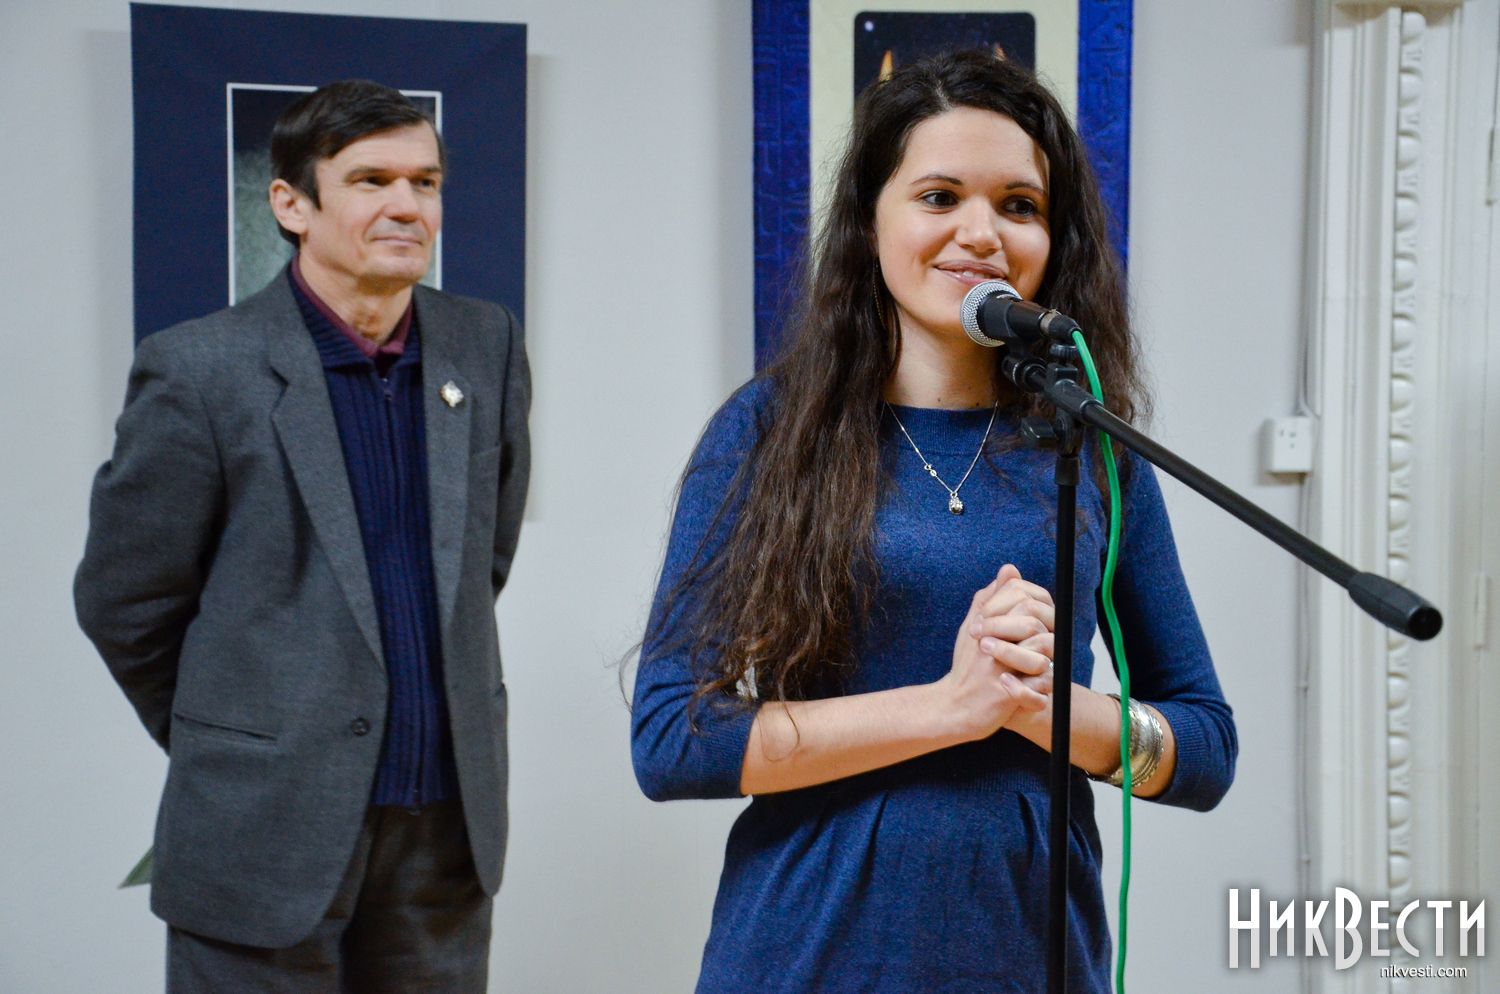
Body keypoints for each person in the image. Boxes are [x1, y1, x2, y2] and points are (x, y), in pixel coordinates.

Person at [630, 51, 1235, 992]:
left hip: (1031, 957)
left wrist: (1042, 709)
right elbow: (673, 741)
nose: (981, 233)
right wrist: (953, 706)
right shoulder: (766, 430)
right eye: (940, 196)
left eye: (1020, 205)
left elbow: (1204, 750)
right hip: (806, 954)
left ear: (1054, 239)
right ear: (870, 220)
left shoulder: (1091, 446)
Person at [75, 80, 529, 992]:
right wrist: (242, 734)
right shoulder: (198, 368)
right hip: (260, 830)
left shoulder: (484, 343)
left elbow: (481, 562)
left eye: (426, 182)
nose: (407, 206)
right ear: (291, 204)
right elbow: (126, 601)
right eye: (371, 181)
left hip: (443, 832)